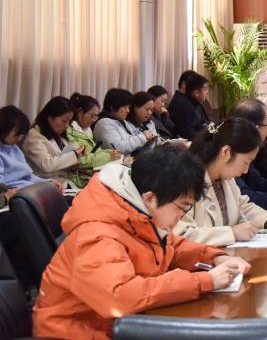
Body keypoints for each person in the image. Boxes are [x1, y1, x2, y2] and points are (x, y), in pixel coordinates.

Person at [32, 144, 251, 339]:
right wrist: (204, 281)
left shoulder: (134, 210)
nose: (182, 216)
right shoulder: (97, 234)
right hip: (76, 332)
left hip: (119, 324)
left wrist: (215, 257)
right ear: (150, 198)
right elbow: (119, 297)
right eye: (183, 207)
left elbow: (171, 246)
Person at [172, 118, 267, 246]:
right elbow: (179, 235)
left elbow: (243, 207)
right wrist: (232, 233)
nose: (246, 170)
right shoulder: (184, 181)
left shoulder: (226, 179)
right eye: (245, 162)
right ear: (226, 152)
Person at [22, 96, 88, 186]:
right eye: (64, 121)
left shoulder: (59, 135)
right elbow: (46, 165)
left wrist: (74, 162)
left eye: (69, 122)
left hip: (64, 184)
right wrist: (74, 155)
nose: (67, 126)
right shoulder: (33, 136)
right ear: (50, 118)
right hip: (43, 186)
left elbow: (61, 162)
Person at [66, 93, 122, 187]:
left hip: (88, 176)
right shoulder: (69, 131)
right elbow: (80, 160)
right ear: (80, 112)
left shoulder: (87, 130)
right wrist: (108, 156)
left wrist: (109, 152)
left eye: (95, 117)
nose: (93, 120)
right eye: (92, 116)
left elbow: (93, 152)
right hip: (77, 180)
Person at [0, 105, 53, 189]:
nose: (19, 138)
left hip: (28, 188)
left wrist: (49, 182)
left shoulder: (15, 149)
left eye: (21, 134)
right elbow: (2, 186)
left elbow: (29, 176)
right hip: (16, 192)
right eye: (17, 134)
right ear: (4, 128)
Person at [94, 89, 158, 155]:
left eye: (128, 107)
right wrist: (143, 137)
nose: (128, 111)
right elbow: (117, 149)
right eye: (125, 107)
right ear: (112, 107)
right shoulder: (104, 123)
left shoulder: (122, 122)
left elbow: (131, 141)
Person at [169, 72, 212, 141]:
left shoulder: (194, 102)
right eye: (205, 89)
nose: (207, 92)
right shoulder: (183, 104)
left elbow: (203, 122)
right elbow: (187, 133)